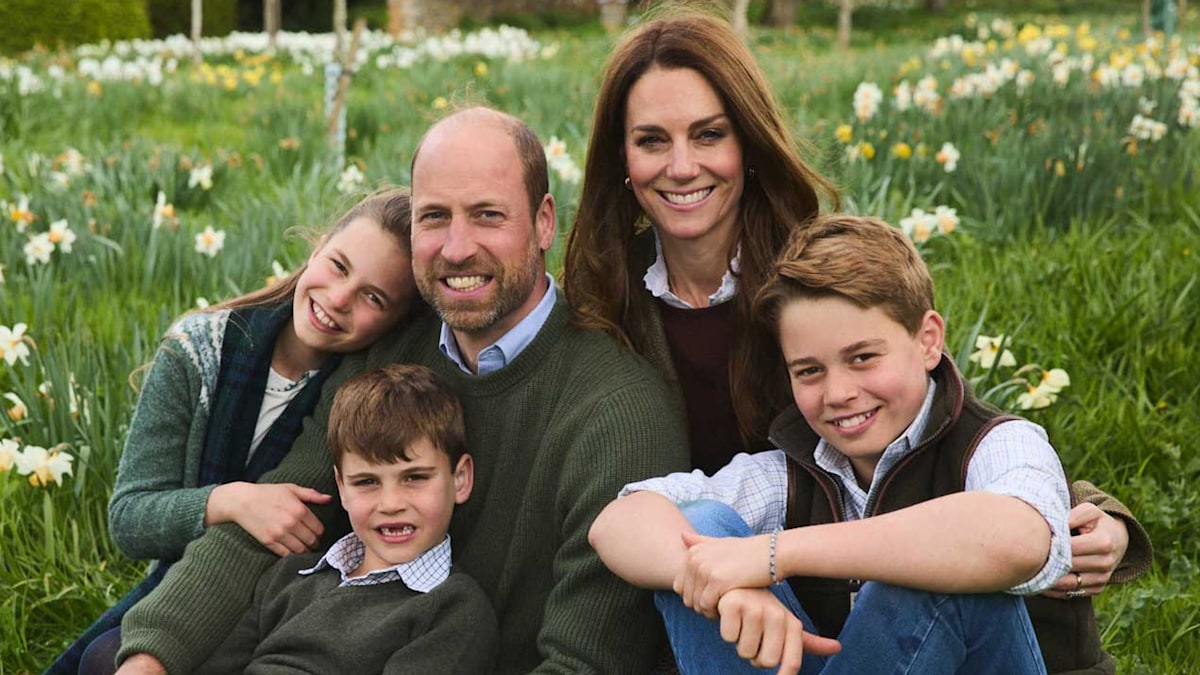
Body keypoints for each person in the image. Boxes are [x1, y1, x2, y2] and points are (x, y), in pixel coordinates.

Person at [563, 7, 1149, 601]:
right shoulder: (602, 296)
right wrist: (725, 574)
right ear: (621, 158)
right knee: (709, 529)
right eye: (651, 141)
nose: (682, 165)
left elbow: (934, 422)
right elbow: (615, 499)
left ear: (748, 142)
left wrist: (1094, 513)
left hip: (833, 573)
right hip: (689, 568)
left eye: (710, 134)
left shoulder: (811, 277)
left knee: (914, 568)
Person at [113, 107, 690, 674]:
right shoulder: (390, 352)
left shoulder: (617, 410)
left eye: (488, 215)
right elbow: (272, 524)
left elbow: (584, 662)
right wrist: (147, 658)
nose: (457, 248)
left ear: (544, 222)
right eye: (434, 217)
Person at [590, 214, 1127, 674]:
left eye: (863, 357)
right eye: (809, 371)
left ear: (928, 340)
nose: (840, 393)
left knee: (928, 565)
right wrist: (723, 582)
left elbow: (1018, 539)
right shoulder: (795, 470)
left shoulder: (998, 443)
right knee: (700, 532)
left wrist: (771, 557)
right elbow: (619, 520)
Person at [51, 188, 420, 675]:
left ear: (395, 322)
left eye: (373, 297)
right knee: (103, 659)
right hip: (186, 587)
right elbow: (129, 517)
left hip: (288, 600)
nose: (338, 299)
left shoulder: (362, 391)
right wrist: (230, 501)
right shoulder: (198, 353)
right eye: (338, 266)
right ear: (316, 249)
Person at [193, 364, 497, 674]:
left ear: (459, 479)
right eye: (367, 482)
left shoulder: (453, 609)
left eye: (415, 477)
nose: (391, 504)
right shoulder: (289, 576)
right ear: (341, 487)